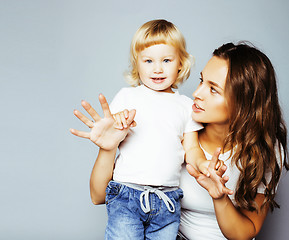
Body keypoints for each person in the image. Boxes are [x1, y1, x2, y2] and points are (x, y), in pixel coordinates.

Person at [72, 42, 288, 239]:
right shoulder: (176, 132)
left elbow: (245, 232)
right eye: (202, 81)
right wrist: (107, 149)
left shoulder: (266, 149)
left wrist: (220, 198)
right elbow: (99, 196)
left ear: (243, 103)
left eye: (213, 89)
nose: (196, 93)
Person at [70, 19, 214, 240]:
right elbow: (113, 127)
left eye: (166, 60)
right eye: (148, 61)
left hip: (168, 202)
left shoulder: (186, 105)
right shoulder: (127, 97)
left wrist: (203, 164)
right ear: (136, 63)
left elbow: (192, 149)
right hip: (126, 195)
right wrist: (117, 123)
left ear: (180, 63)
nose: (157, 68)